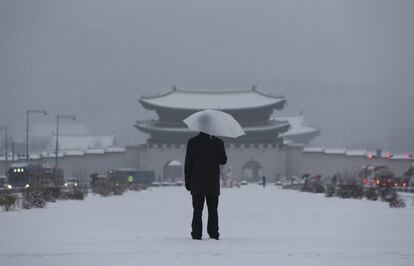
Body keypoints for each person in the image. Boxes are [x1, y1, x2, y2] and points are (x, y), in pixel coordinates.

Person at [185, 132, 227, 240]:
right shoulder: (218, 142)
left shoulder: (192, 142)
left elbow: (188, 164)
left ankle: (196, 233)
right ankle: (213, 233)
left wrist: (188, 181)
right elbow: (223, 160)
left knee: (197, 210)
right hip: (212, 182)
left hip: (197, 182)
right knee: (213, 210)